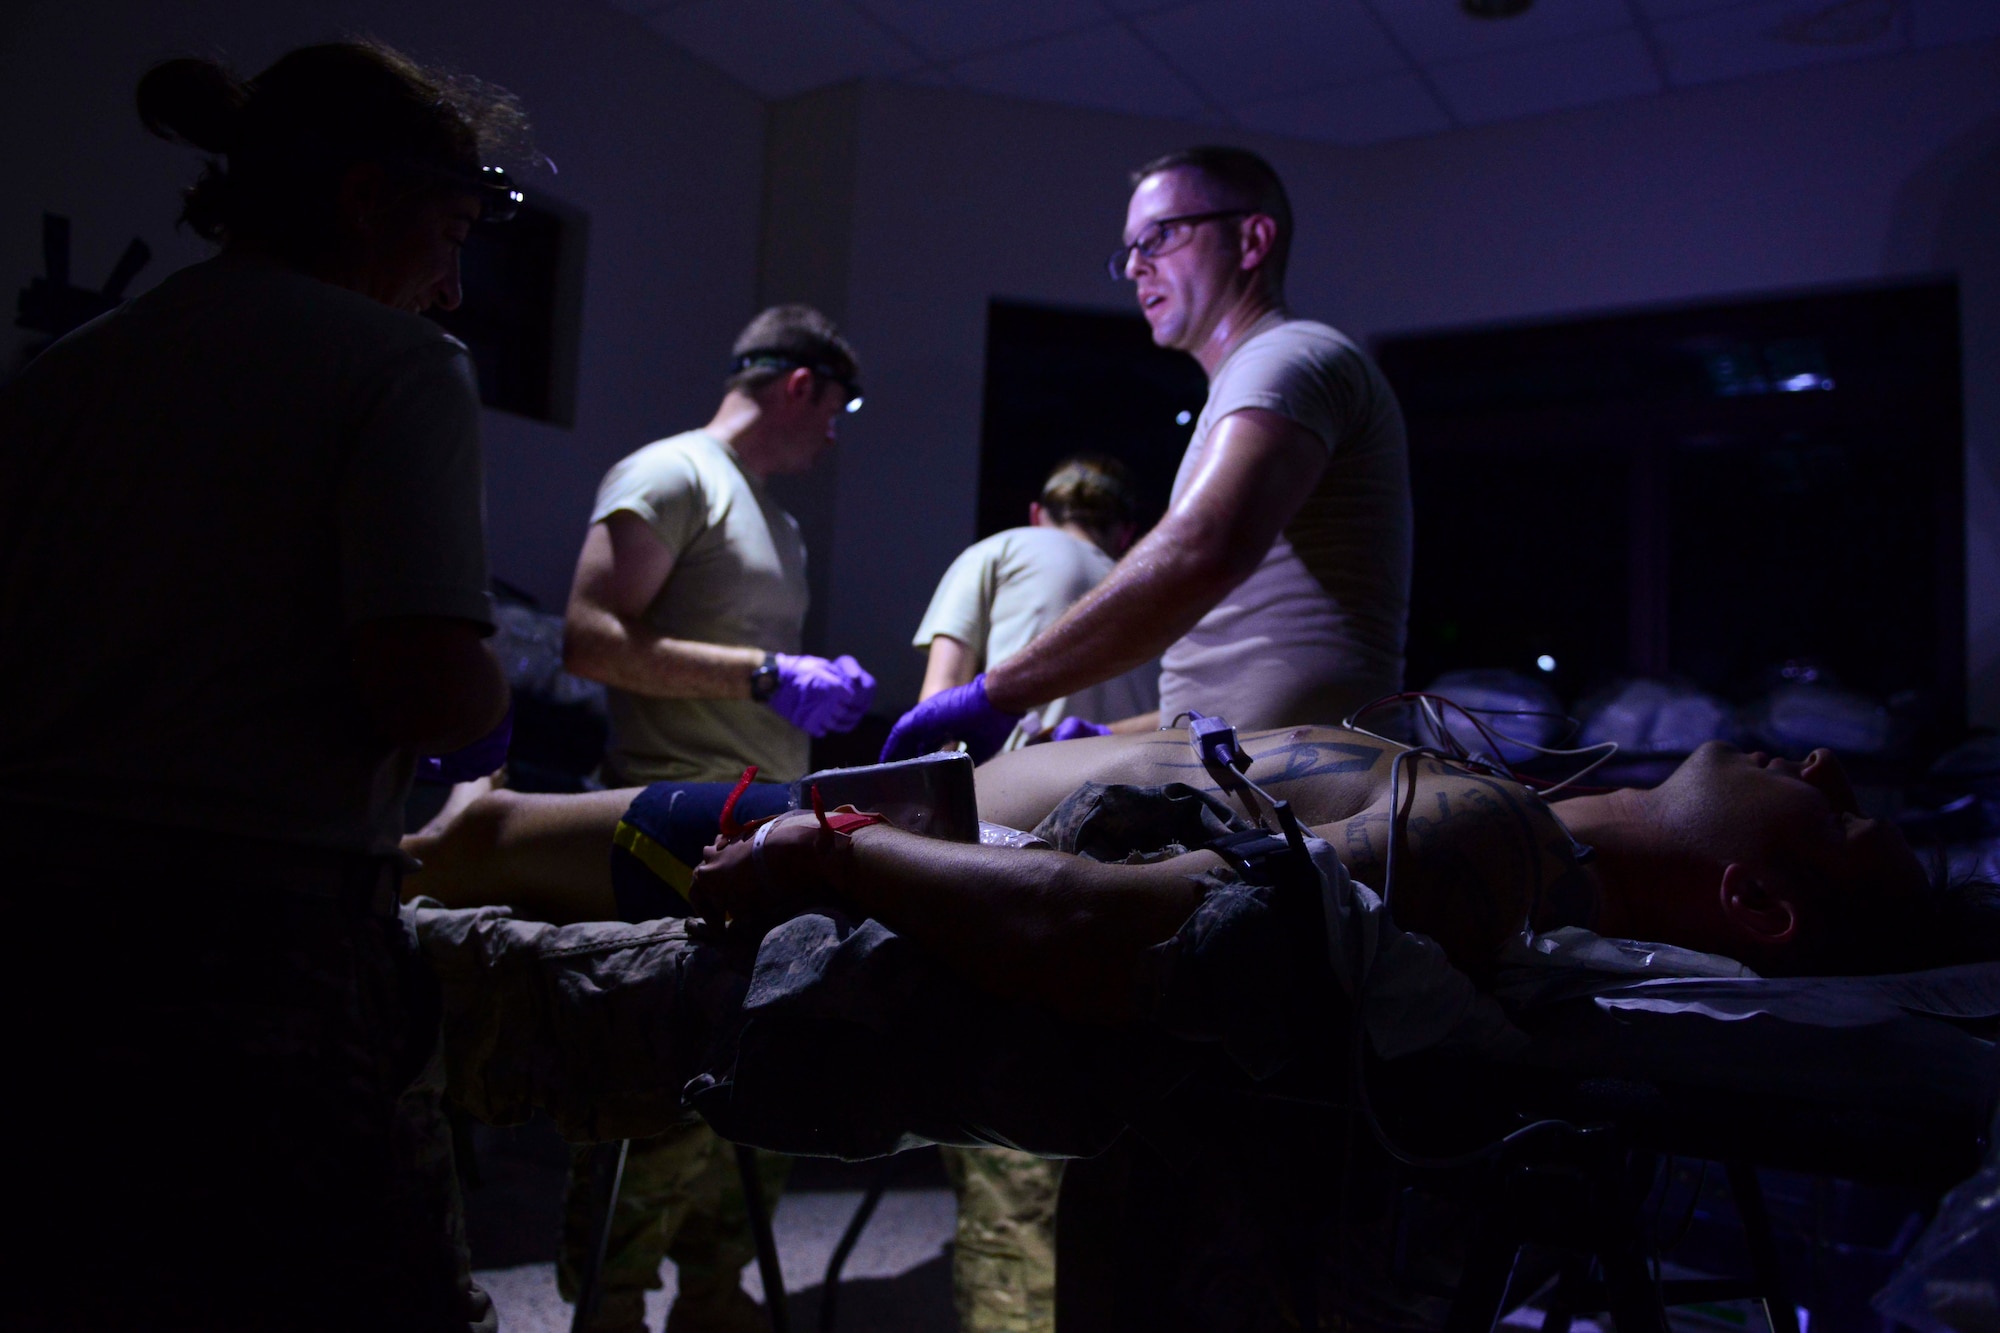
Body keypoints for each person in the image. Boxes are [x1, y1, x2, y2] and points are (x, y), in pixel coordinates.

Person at [0, 42, 524, 1331]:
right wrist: (491, 678)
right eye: (449, 232)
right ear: (365, 201)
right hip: (255, 947)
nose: (452, 286)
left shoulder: (68, 371)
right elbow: (423, 687)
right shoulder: (393, 367)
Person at [556, 304, 877, 1332]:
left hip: (757, 822)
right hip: (669, 820)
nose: (838, 431)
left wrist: (800, 686)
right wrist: (768, 673)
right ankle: (609, 1302)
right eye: (841, 407)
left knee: (763, 1065)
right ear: (801, 386)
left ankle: (712, 1289)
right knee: (650, 1080)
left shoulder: (773, 517)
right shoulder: (671, 473)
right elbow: (589, 637)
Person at [882, 146, 1412, 763]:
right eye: (1129, 249)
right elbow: (1233, 671)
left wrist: (996, 693)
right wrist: (1114, 736)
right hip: (1248, 761)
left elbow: (1199, 549)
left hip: (1292, 772)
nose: (1135, 267)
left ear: (1252, 239)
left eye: (1158, 237)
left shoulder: (1287, 356)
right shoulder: (1250, 382)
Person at [910, 454, 1152, 1332]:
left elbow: (938, 723)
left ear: (1037, 513)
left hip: (1009, 855)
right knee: (1109, 1146)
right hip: (1131, 876)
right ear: (1121, 527)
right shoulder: (1147, 580)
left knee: (1007, 1142)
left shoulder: (999, 551)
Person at [916, 454, 1154, 747]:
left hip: (1018, 786)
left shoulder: (999, 551)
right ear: (1126, 535)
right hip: (1137, 786)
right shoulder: (1154, 591)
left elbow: (942, 699)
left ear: (1036, 515)